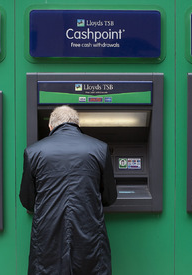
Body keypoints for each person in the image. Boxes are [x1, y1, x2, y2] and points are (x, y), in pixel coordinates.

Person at [20, 105, 117, 275]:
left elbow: (27, 200)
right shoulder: (100, 148)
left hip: (47, 236)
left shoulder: (33, 152)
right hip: (88, 233)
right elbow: (109, 197)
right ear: (77, 125)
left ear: (51, 126)